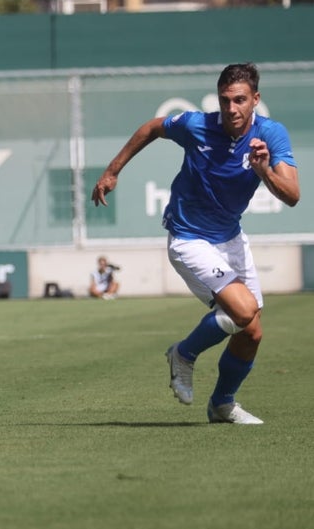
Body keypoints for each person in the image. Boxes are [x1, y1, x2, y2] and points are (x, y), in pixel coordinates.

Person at [91, 63, 300, 425]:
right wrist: (113, 170)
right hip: (189, 238)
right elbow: (153, 127)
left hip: (230, 237)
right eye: (225, 100)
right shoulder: (196, 125)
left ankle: (222, 404)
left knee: (252, 332)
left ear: (255, 100)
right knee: (244, 310)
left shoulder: (271, 135)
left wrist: (263, 170)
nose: (231, 108)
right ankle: (183, 354)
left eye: (239, 100)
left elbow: (293, 195)